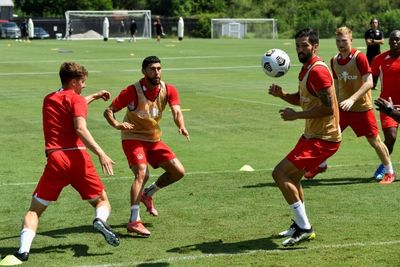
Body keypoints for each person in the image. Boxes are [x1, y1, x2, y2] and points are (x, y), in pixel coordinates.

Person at [0, 62, 120, 265]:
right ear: (74, 81)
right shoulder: (77, 100)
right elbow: (80, 127)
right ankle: (100, 220)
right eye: (82, 82)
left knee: (34, 211)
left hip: (56, 160)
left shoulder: (49, 99)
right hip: (79, 159)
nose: (84, 86)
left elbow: (76, 102)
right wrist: (101, 153)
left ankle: (22, 252)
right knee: (102, 201)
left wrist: (95, 96)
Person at [268, 28, 341, 246]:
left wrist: (295, 116)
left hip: (324, 139)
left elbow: (328, 109)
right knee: (294, 178)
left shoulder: (318, 71)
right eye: (298, 46)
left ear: (315, 47)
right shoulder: (306, 69)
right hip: (312, 135)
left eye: (305, 46)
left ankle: (305, 228)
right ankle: (301, 224)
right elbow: (304, 99)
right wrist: (283, 95)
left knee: (279, 174)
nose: (300, 50)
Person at [104, 56, 189, 237]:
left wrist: (181, 125)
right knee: (142, 172)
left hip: (154, 139)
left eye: (159, 68)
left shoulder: (169, 89)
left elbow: (177, 111)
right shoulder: (132, 91)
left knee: (178, 172)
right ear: (143, 71)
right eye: (152, 69)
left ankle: (148, 194)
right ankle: (134, 220)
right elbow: (109, 111)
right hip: (132, 137)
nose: (156, 72)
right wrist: (117, 124)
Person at [306, 26, 395, 184]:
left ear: (351, 41)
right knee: (328, 135)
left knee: (374, 141)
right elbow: (336, 85)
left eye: (344, 41)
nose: (341, 44)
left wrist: (352, 99)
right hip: (342, 108)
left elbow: (369, 83)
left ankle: (389, 171)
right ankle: (320, 164)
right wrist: (333, 103)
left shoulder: (359, 57)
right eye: (338, 41)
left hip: (361, 108)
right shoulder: (334, 61)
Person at [371, 30, 400, 182]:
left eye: (398, 40)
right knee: (391, 137)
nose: (395, 42)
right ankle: (385, 166)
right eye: (392, 40)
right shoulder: (379, 59)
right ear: (388, 42)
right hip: (387, 105)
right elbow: (371, 81)